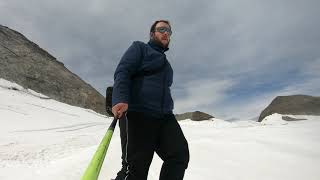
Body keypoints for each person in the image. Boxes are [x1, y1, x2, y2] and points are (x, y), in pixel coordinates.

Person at [112, 20, 189, 180]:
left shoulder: (167, 66)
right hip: (138, 113)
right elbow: (123, 71)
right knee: (136, 170)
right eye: (161, 29)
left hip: (164, 117)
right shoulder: (140, 48)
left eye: (169, 31)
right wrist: (120, 98)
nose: (166, 33)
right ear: (152, 33)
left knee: (179, 155)